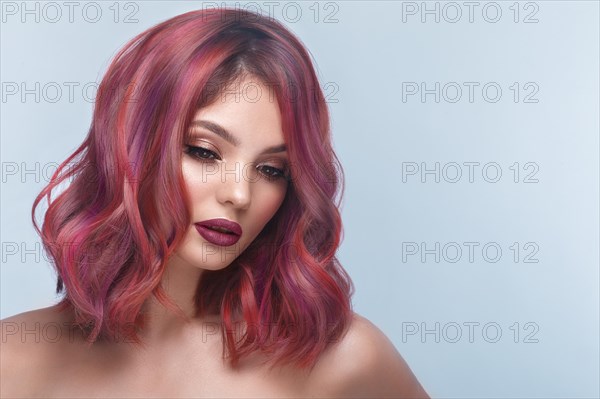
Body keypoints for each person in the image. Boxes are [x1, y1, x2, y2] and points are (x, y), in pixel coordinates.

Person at [0, 7, 430, 398]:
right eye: (204, 151)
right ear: (130, 148)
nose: (239, 195)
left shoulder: (344, 360)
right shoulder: (13, 360)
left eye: (272, 170)